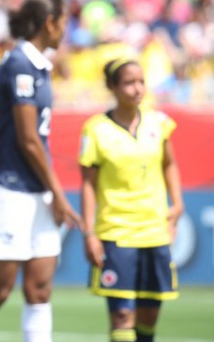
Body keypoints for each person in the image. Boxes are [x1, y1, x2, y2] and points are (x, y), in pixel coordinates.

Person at [0, 0, 82, 342]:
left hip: (38, 190)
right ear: (50, 22)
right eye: (64, 22)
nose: (66, 30)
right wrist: (58, 193)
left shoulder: (42, 65)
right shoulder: (18, 63)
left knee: (40, 289)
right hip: (11, 189)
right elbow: (28, 139)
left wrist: (50, 192)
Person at [78, 58, 184, 342]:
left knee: (149, 314)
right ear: (112, 87)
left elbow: (169, 163)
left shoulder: (159, 122)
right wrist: (89, 232)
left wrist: (177, 203)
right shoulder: (96, 129)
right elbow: (88, 184)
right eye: (128, 83)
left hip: (154, 230)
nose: (137, 89)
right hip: (116, 232)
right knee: (123, 315)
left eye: (141, 82)